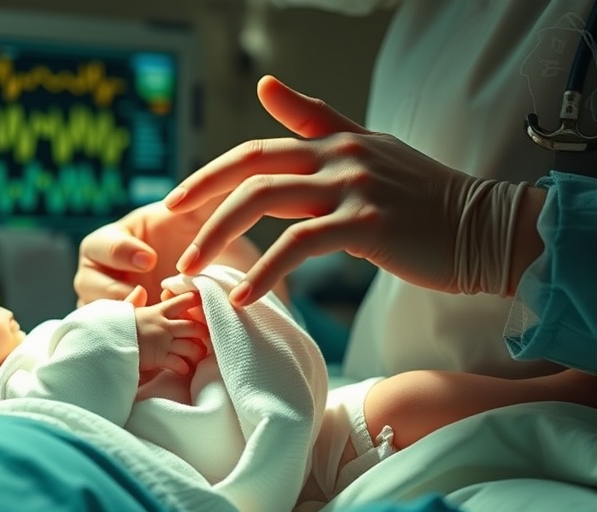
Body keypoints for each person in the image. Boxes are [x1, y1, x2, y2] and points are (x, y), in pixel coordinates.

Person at [0, 268, 597, 511]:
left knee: (410, 400)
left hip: (292, 454)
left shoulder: (21, 379)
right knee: (416, 401)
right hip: (293, 455)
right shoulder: (17, 401)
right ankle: (568, 388)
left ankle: (559, 387)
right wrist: (130, 333)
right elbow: (75, 371)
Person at [78, 0, 597, 381]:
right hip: (374, 422)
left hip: (526, 456)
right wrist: (226, 285)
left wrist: (501, 236)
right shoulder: (431, 19)